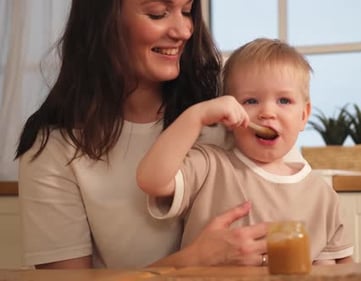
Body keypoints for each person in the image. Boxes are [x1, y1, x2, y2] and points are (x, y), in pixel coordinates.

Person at [15, 0, 283, 269]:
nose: (184, 31)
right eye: (158, 13)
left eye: (188, 12)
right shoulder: (53, 146)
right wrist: (194, 261)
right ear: (103, 21)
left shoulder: (233, 106)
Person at [137, 38, 354, 265]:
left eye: (284, 100)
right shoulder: (209, 166)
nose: (267, 112)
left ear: (304, 115)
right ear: (229, 115)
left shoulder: (322, 195)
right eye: (251, 100)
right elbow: (151, 180)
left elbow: (341, 268)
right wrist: (198, 115)